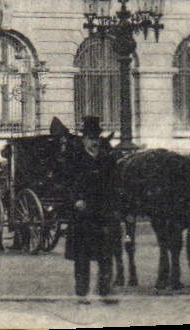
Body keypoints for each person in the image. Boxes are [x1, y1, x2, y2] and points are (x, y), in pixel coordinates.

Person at [66, 116, 120, 305]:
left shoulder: (107, 158)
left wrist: (115, 205)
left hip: (103, 213)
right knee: (82, 256)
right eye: (90, 137)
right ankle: (82, 293)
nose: (94, 141)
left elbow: (114, 183)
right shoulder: (75, 158)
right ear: (83, 140)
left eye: (96, 137)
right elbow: (68, 183)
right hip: (82, 214)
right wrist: (76, 200)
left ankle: (105, 292)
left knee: (106, 254)